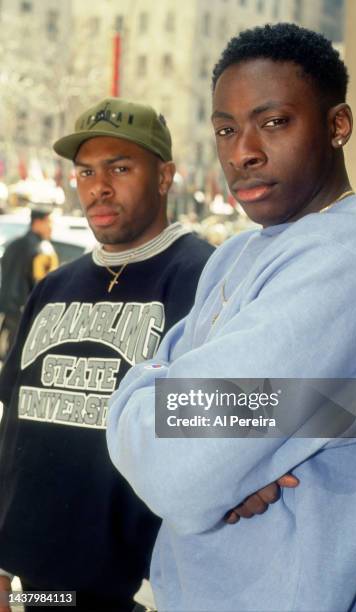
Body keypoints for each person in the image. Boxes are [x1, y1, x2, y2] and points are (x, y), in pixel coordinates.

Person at [107, 24, 356, 612]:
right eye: (225, 128)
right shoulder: (238, 254)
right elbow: (184, 435)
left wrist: (176, 410)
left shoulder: (355, 254)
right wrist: (238, 447)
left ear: (337, 125)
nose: (242, 151)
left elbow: (177, 467)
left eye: (274, 122)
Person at [0, 98, 216, 612]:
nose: (99, 186)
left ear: (164, 176)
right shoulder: (53, 286)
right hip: (46, 588)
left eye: (120, 168)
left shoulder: (206, 277)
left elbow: (245, 416)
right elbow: (17, 426)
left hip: (151, 586)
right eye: (86, 171)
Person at [0, 207, 58, 359]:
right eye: (50, 222)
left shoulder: (13, 245)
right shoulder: (43, 249)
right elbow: (45, 284)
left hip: (9, 309)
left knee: (11, 355)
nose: (52, 227)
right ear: (38, 223)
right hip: (30, 311)